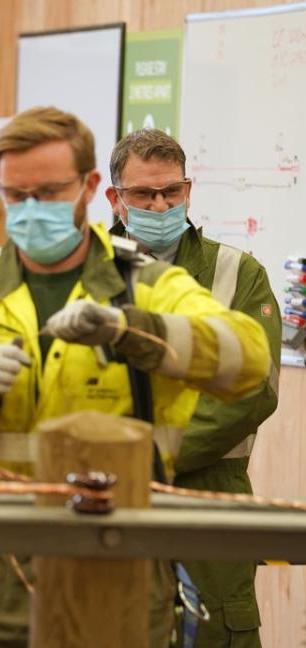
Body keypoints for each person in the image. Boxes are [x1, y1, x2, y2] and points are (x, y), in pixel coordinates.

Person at [0, 106, 271, 648]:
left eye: (49, 192)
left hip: (119, 569)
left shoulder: (147, 286)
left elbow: (248, 361)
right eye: (16, 196)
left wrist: (133, 330)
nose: (32, 208)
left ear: (88, 188)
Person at [106, 128, 281, 647]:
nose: (159, 205)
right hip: (107, 498)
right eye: (142, 194)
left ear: (188, 190)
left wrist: (151, 453)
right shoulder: (85, 272)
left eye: (171, 192)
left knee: (214, 632)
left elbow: (255, 388)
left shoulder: (237, 273)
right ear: (115, 199)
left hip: (211, 495)